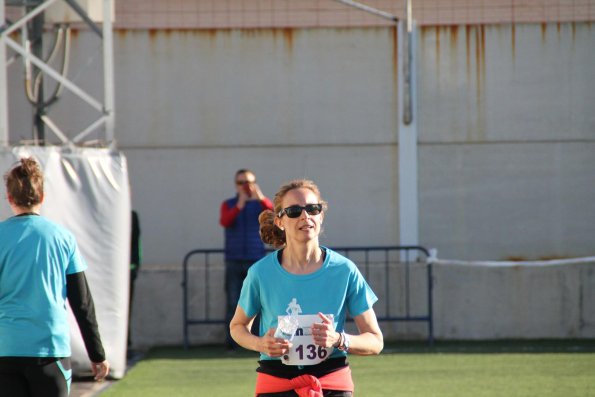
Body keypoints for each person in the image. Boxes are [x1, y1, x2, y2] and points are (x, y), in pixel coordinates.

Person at [230, 179, 383, 396]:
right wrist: (261, 344)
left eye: (312, 209)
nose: (305, 216)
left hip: (332, 383)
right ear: (280, 221)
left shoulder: (345, 270)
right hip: (276, 383)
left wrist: (339, 339)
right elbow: (237, 327)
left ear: (321, 215)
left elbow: (375, 341)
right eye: (293, 211)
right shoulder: (260, 273)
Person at [0, 157, 110, 397]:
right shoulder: (63, 238)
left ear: (9, 198)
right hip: (49, 353)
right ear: (42, 197)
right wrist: (97, 354)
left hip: (5, 351)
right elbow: (82, 303)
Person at [220, 169, 273, 350]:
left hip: (256, 260)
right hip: (234, 260)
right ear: (236, 185)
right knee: (233, 302)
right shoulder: (229, 204)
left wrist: (261, 198)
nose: (246, 186)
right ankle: (232, 344)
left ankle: (258, 343)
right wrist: (239, 205)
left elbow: (276, 216)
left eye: (249, 182)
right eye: (241, 182)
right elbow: (225, 221)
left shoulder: (260, 205)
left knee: (260, 303)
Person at [128, 210, 142, 352]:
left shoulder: (131, 215)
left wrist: (135, 265)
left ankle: (127, 343)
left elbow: (137, 240)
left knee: (127, 308)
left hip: (128, 269)